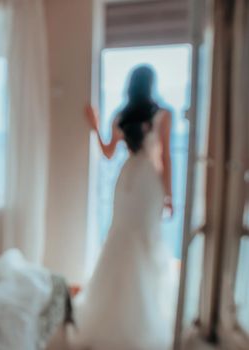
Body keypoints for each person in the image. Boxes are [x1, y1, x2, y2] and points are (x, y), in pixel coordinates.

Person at [77, 65, 176, 350]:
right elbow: (165, 158)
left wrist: (96, 126)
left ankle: (115, 308)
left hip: (127, 179)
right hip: (147, 181)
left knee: (121, 237)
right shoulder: (163, 114)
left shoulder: (122, 116)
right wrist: (169, 195)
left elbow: (108, 153)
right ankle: (142, 313)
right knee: (144, 240)